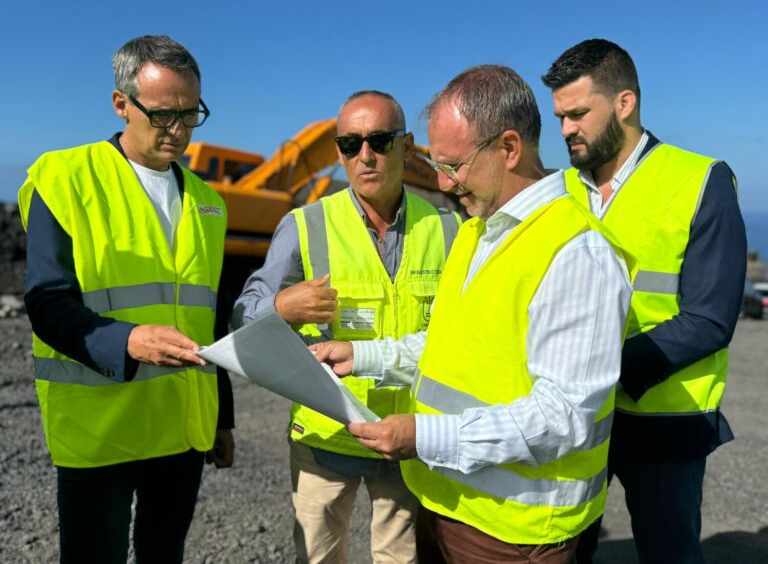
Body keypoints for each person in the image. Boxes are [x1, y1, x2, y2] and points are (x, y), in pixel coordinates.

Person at [311, 65, 635, 564]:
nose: (441, 181)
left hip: (515, 532)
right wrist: (364, 355)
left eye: (453, 165)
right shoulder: (475, 232)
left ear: (509, 148)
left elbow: (565, 417)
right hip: (444, 501)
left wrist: (424, 436)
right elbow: (447, 345)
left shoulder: (576, 252)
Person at [18, 35, 235, 564]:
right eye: (163, 115)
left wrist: (221, 417)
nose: (179, 130)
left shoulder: (208, 201)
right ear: (121, 103)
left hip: (182, 429)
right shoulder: (64, 177)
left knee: (165, 555)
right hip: (102, 431)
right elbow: (47, 303)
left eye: (190, 114)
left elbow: (210, 318)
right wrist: (130, 340)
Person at [541, 39, 747, 564]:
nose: (566, 129)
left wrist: (603, 369)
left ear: (625, 103)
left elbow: (709, 319)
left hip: (665, 422)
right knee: (564, 552)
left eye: (578, 114)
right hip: (574, 419)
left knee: (669, 555)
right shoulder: (556, 190)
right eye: (560, 116)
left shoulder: (700, 180)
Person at [233, 90, 460, 564]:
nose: (365, 155)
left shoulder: (447, 228)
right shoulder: (304, 224)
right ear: (338, 150)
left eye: (379, 140)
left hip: (407, 437)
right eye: (350, 144)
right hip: (325, 438)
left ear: (407, 145)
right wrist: (280, 304)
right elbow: (244, 314)